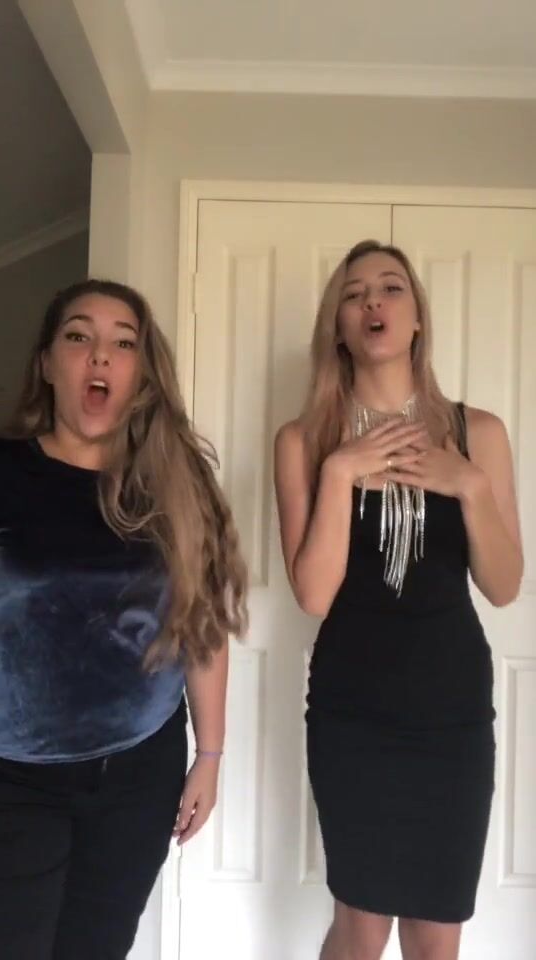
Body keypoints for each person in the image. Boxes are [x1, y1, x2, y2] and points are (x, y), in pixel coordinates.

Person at [274, 240, 523, 960]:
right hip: (354, 714)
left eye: (391, 288)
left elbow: (504, 585)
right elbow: (314, 594)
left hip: (452, 713)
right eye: (354, 294)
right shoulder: (305, 441)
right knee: (361, 925)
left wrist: (468, 485)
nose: (372, 302)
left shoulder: (478, 433)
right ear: (339, 326)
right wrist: (340, 473)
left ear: (417, 319)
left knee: (437, 933)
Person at [0, 278, 247, 960]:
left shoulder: (176, 485)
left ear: (142, 373)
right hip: (14, 781)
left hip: (139, 777)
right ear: (48, 364)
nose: (100, 355)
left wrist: (210, 755)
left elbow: (202, 625)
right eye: (78, 336)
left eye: (123, 343)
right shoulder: (5, 471)